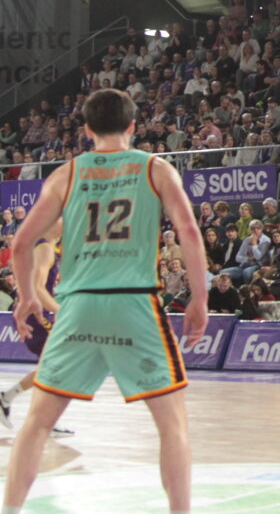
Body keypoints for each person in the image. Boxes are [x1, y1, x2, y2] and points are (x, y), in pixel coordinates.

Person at [4, 89, 208, 514]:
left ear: (87, 129)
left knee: (37, 424)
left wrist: (26, 298)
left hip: (78, 305)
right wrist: (199, 299)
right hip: (135, 302)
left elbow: (21, 243)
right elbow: (189, 231)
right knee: (172, 425)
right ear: (133, 126)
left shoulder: (66, 174)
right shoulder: (155, 168)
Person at [0, 223, 73, 437]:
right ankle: (41, 419)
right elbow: (38, 288)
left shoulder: (44, 247)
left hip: (33, 314)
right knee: (56, 367)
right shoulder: (45, 249)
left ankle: (9, 400)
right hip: (36, 316)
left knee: (50, 368)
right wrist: (60, 310)